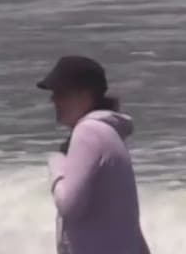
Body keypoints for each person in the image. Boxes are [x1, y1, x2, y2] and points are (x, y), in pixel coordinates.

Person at [38, 55, 150, 254]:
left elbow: (69, 206)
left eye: (60, 93)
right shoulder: (108, 134)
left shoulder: (88, 132)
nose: (53, 99)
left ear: (85, 95)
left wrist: (56, 168)